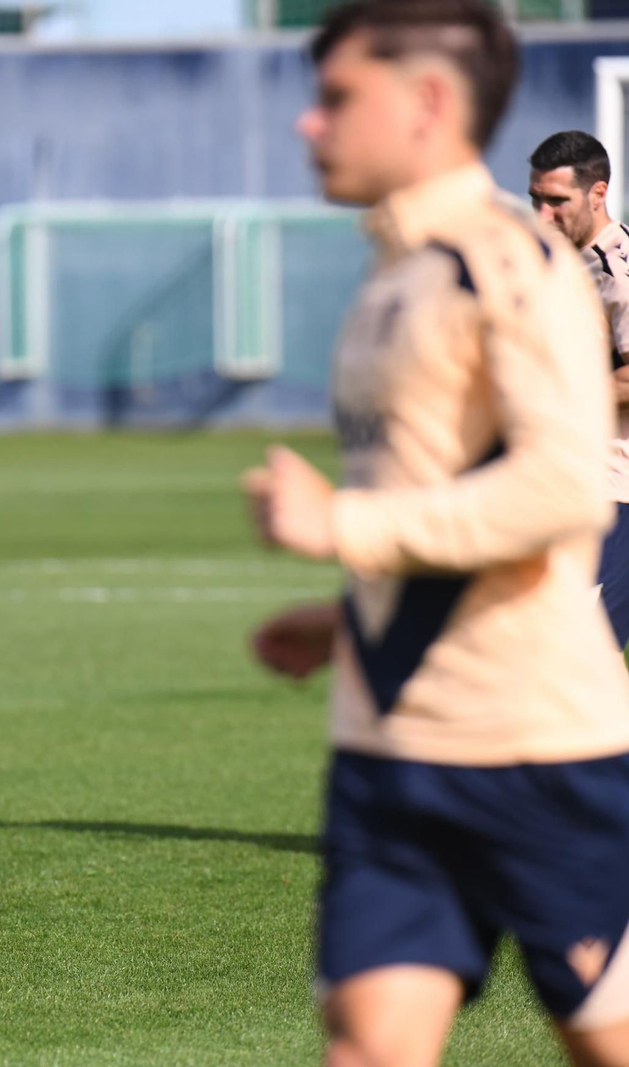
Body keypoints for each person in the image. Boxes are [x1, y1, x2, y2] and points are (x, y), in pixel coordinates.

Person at [242, 2, 629, 1063]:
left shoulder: (507, 265)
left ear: (425, 104)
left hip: (531, 749)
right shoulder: (396, 270)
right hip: (386, 747)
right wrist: (346, 612)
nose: (307, 127)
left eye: (335, 100)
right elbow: (449, 492)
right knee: (365, 1045)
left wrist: (340, 524)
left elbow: (562, 490)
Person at [529, 130, 629, 650]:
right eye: (535, 199)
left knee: (578, 660)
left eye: (557, 201)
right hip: (568, 488)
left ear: (597, 194)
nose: (543, 214)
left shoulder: (620, 270)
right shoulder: (560, 266)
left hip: (618, 493)